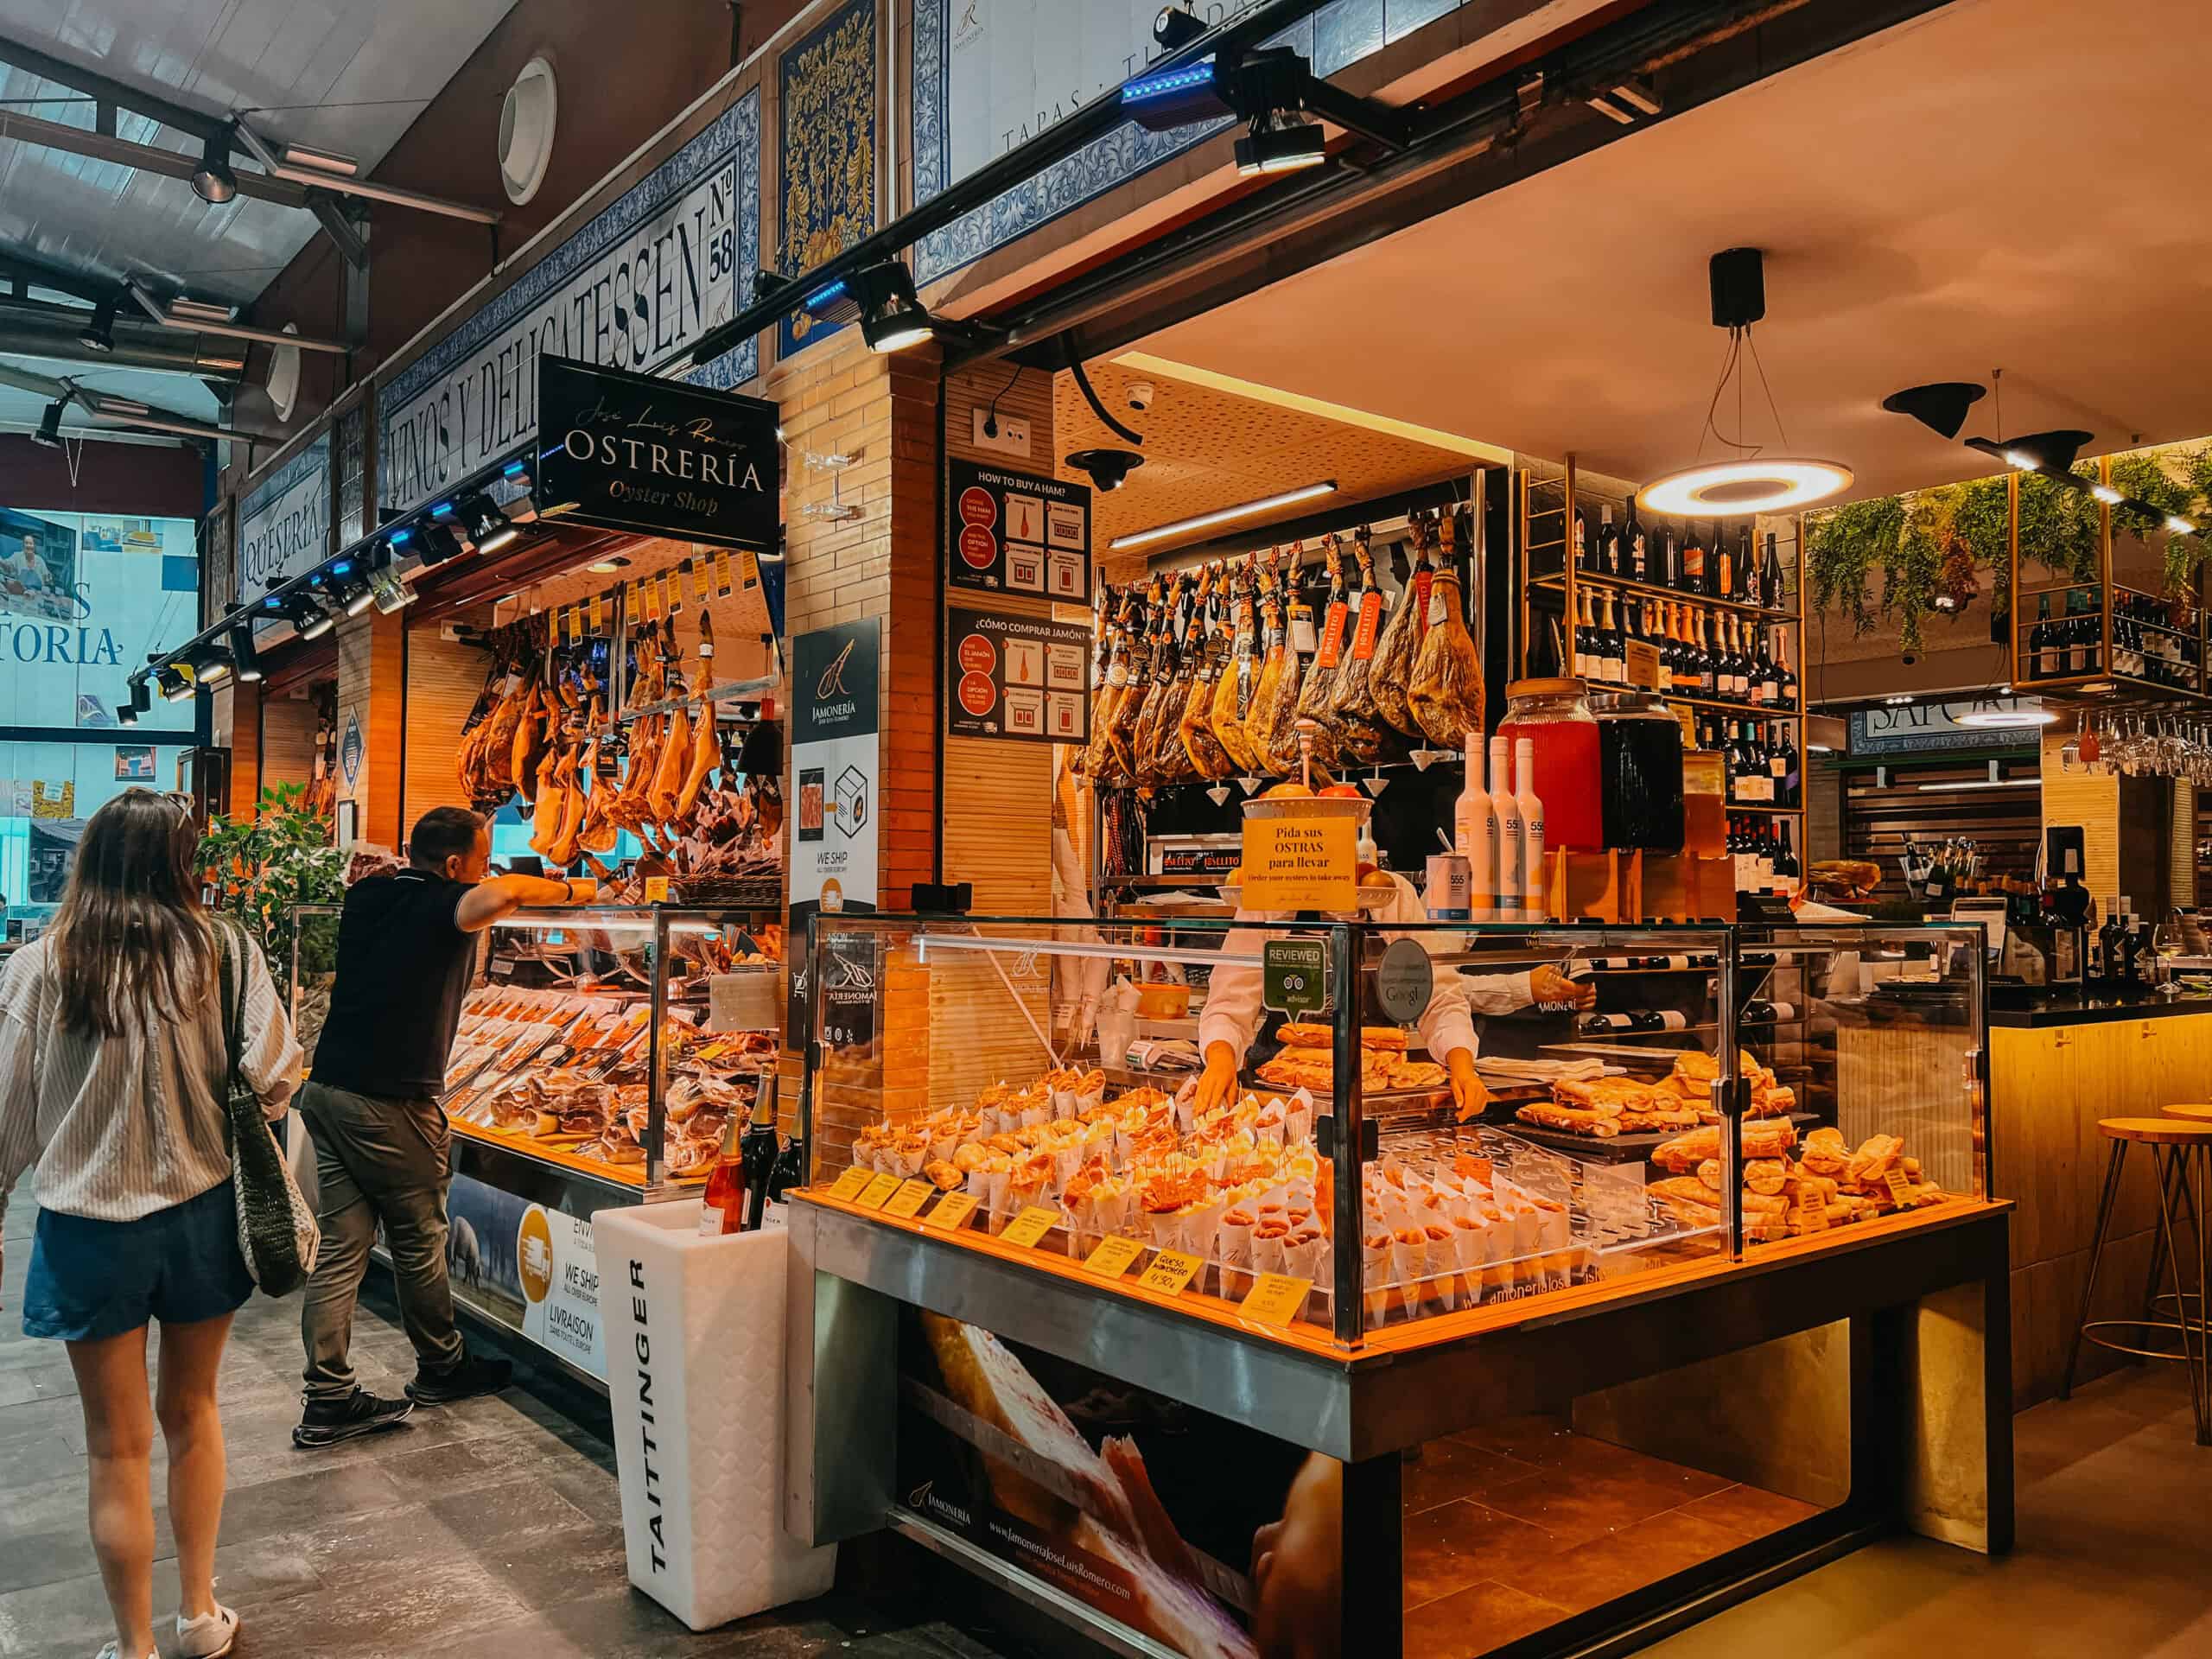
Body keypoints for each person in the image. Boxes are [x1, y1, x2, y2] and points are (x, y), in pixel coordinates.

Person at [0, 789, 302, 1659]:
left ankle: (133, 1647)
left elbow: (8, 1115)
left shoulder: (38, 965)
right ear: (182, 863)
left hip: (84, 1228)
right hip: (203, 1213)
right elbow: (276, 1078)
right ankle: (200, 1615)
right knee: (195, 1411)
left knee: (114, 1448)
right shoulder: (225, 953)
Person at [293, 805, 588, 1447]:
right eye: (482, 859)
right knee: (420, 1234)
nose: (488, 871)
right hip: (390, 1101)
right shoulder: (443, 905)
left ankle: (328, 1398)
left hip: (327, 1088)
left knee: (343, 1248)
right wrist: (576, 890)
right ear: (455, 866)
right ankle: (443, 1367)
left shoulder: (371, 892)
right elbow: (505, 893)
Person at [1193, 868, 1592, 1116]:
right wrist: (1221, 1059)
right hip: (1281, 1091)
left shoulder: (1388, 893)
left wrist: (1462, 1066)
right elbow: (1230, 1003)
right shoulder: (1269, 893)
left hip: (1377, 1090)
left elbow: (1440, 995)